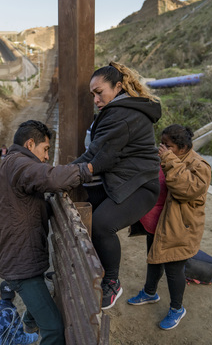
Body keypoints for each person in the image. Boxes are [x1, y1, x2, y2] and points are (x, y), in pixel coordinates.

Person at [0, 119, 97, 345]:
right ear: (30, 144)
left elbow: (25, 207)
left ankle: (30, 322)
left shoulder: (12, 163)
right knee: (54, 330)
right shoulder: (19, 164)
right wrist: (85, 170)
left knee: (42, 312)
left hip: (21, 260)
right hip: (22, 267)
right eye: (45, 149)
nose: (47, 156)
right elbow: (51, 177)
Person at [71, 61, 162, 310]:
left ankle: (112, 282)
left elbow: (96, 157)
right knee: (87, 215)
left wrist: (55, 176)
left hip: (141, 186)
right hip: (124, 181)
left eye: (99, 92)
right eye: (93, 95)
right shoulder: (118, 110)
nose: (96, 99)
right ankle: (84, 266)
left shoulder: (122, 113)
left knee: (102, 224)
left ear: (118, 87)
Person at [126, 124, 211, 330]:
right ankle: (149, 292)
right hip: (157, 225)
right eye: (162, 143)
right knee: (153, 260)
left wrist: (169, 159)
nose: (163, 148)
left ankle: (177, 308)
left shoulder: (199, 166)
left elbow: (186, 189)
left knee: (174, 271)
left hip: (178, 229)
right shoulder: (166, 157)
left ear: (182, 147)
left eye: (168, 145)